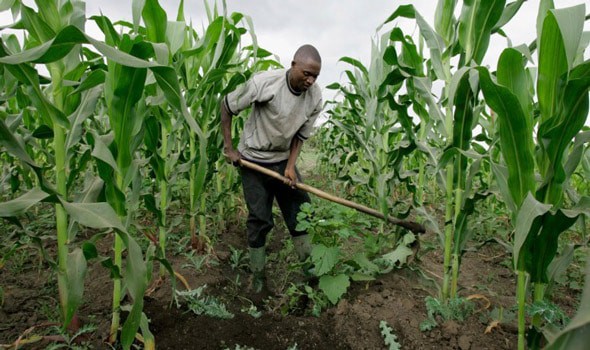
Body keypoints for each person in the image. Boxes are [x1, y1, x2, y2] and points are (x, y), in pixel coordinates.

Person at [220, 44, 323, 293]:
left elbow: (300, 135)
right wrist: (230, 148)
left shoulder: (316, 97)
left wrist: (290, 166)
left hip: (283, 161)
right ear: (293, 65)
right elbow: (226, 105)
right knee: (259, 219)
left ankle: (311, 279)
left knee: (301, 213)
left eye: (315, 76)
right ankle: (258, 280)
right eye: (306, 73)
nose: (310, 80)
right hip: (253, 161)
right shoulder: (264, 83)